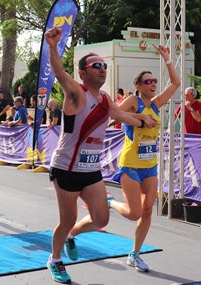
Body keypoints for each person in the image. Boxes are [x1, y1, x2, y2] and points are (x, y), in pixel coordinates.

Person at [43, 26, 156, 284]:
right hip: (66, 168)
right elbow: (59, 72)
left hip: (91, 170)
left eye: (104, 65)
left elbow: (120, 116)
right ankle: (55, 259)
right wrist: (52, 46)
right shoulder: (76, 92)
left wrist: (141, 121)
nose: (102, 69)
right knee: (67, 218)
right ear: (83, 73)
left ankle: (72, 236)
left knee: (102, 218)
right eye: (96, 66)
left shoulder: (105, 98)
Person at [108, 46, 180, 273]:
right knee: (134, 213)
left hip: (150, 165)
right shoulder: (133, 101)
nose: (153, 84)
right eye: (148, 81)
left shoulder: (156, 104)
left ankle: (134, 254)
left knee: (148, 211)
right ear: (138, 86)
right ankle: (108, 202)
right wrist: (139, 117)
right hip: (130, 163)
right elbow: (114, 113)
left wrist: (168, 59)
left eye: (155, 81)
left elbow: (176, 84)